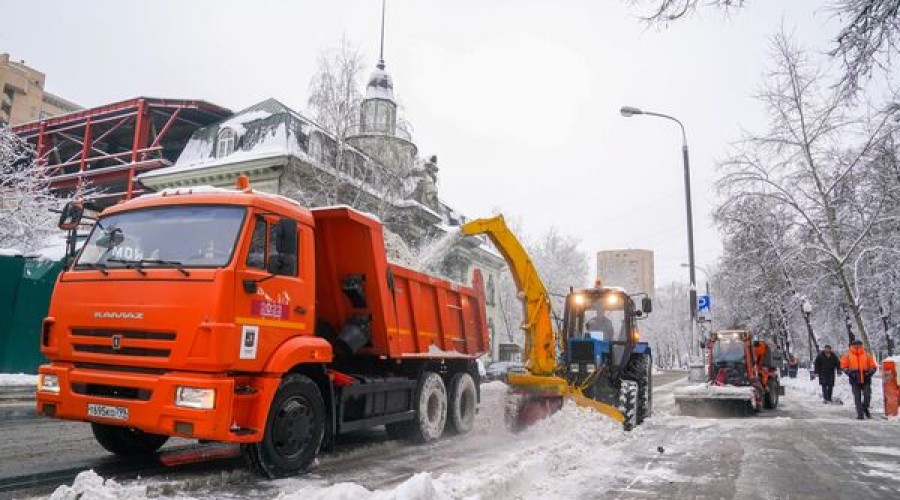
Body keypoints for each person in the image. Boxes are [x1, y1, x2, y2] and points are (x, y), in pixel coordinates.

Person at [840, 340, 878, 419]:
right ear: (852, 346)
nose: (858, 347)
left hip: (866, 378)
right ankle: (860, 414)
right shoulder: (847, 356)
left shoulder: (867, 355)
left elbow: (874, 366)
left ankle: (865, 407)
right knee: (857, 397)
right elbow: (844, 367)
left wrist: (870, 372)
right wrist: (850, 373)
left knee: (867, 395)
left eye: (859, 345)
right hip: (854, 379)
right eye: (856, 345)